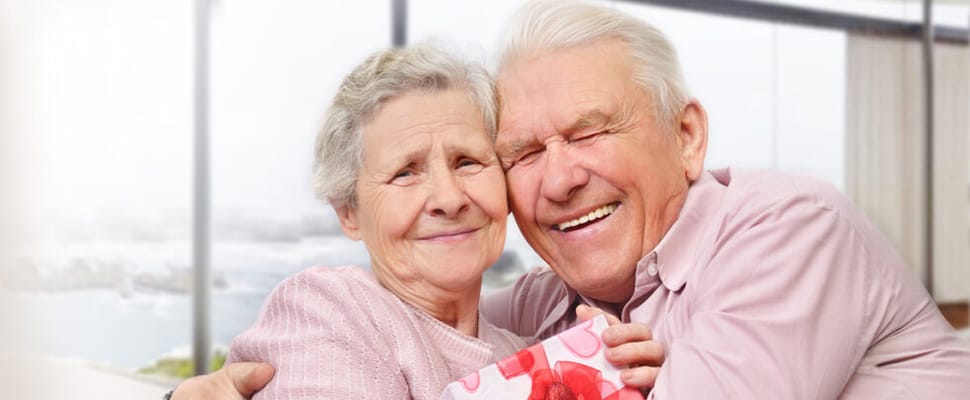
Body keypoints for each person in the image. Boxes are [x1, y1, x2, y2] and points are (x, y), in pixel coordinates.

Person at [175, 1, 970, 398]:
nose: (557, 180)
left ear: (687, 137)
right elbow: (434, 323)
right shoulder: (552, 304)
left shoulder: (787, 230)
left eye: (590, 132)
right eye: (521, 152)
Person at [171, 42, 660, 400]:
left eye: (468, 161)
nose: (448, 198)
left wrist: (612, 374)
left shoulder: (533, 355)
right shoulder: (327, 308)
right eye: (406, 173)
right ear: (349, 212)